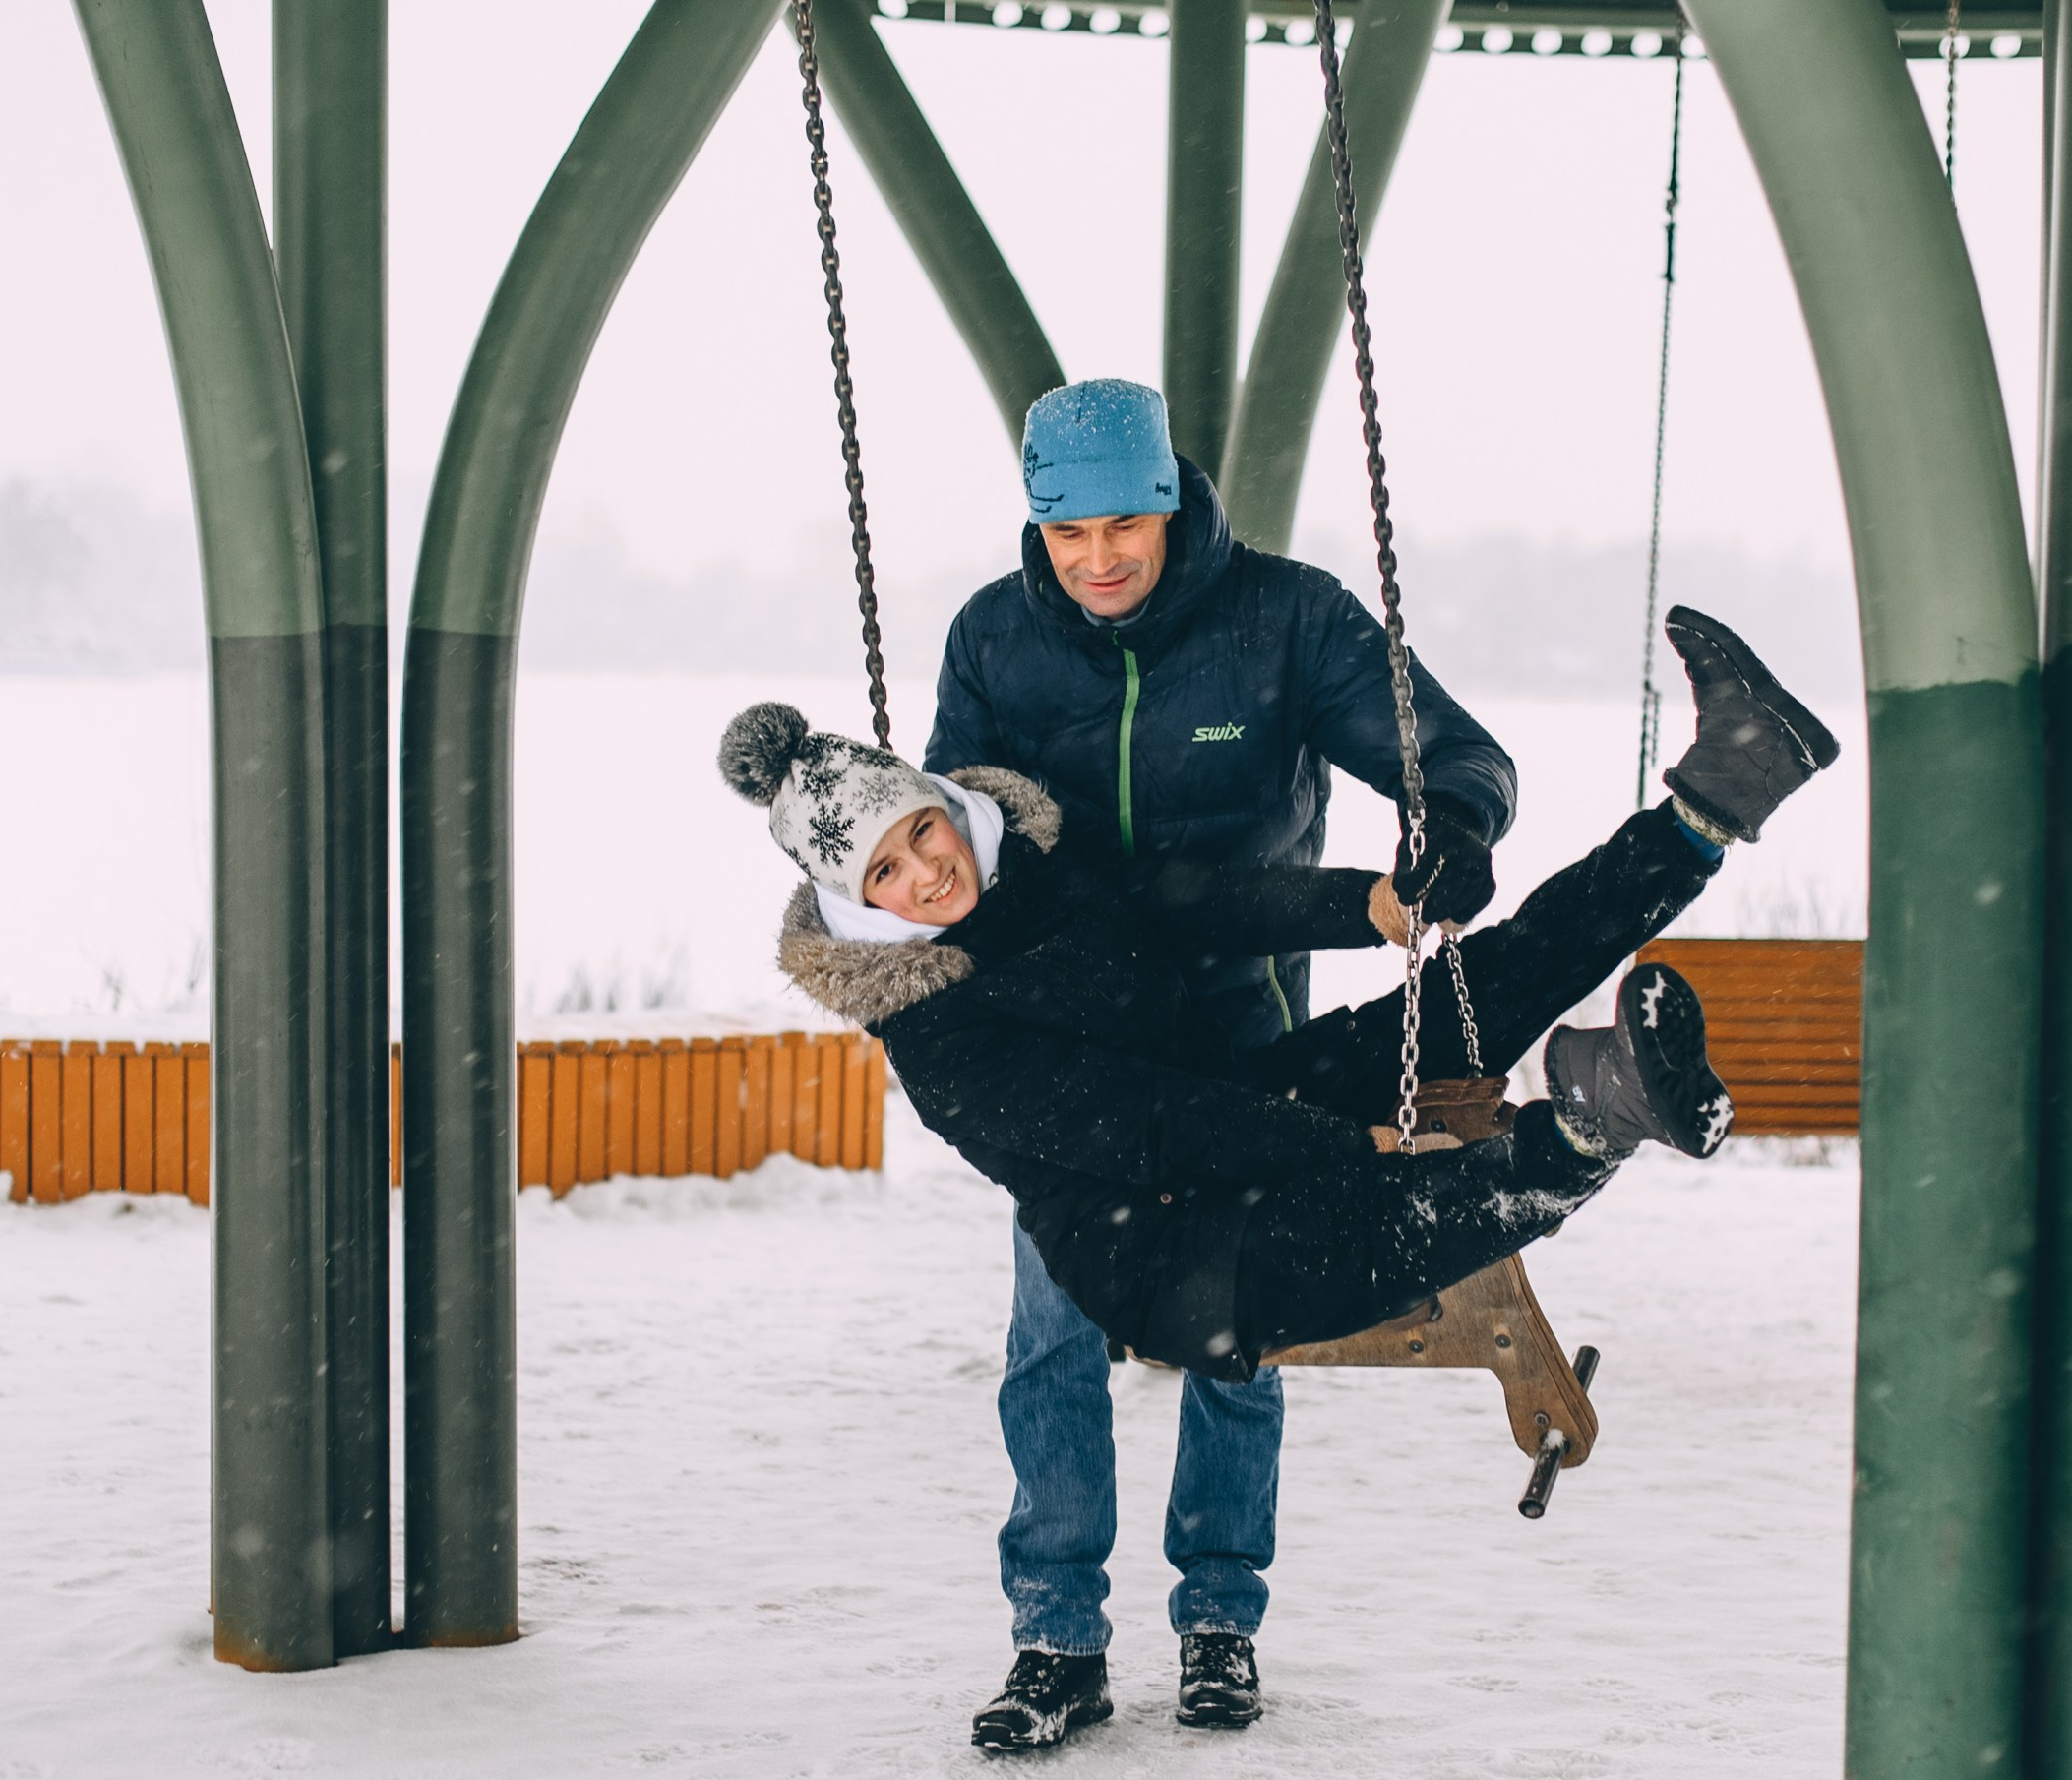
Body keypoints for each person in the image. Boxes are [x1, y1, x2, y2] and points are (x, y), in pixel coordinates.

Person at [723, 600, 1840, 1751]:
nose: (927, 870)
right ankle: (1599, 1121)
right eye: (887, 870)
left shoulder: (1043, 866)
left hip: (1242, 1100)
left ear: (944, 807)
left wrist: (1369, 904)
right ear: (855, 900)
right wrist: (1344, 1146)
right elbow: (1141, 1124)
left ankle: (1715, 799)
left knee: (1469, 995)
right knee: (1382, 1221)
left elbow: (1194, 900)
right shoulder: (932, 1033)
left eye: (922, 831)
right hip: (1158, 1253)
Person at [924, 376, 1516, 1740]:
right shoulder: (994, 639)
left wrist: (1454, 828)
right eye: (1067, 534)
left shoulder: (1286, 620)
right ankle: (1054, 1637)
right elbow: (950, 840)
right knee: (1052, 1331)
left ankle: (1218, 1621)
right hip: (1073, 1049)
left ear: (1171, 503)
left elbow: (1456, 757)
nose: (1097, 560)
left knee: (1236, 1329)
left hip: (1240, 1022)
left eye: (1122, 526)